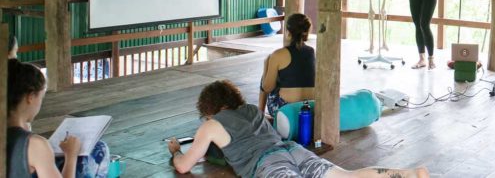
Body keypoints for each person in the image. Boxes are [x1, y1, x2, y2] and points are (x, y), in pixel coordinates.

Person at [167, 80, 429, 178]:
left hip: (268, 166)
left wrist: (177, 151)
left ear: (210, 108)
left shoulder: (211, 125)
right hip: (292, 150)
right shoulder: (249, 110)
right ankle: (410, 175)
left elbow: (184, 166)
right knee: (346, 177)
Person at [7, 58, 109, 178]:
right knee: (100, 149)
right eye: (41, 98)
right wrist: (71, 156)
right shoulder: (34, 145)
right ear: (30, 97)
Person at [258, 13, 315, 117]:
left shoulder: (278, 54)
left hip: (286, 110)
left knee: (266, 76)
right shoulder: (312, 52)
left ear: (288, 32)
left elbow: (267, 88)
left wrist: (266, 64)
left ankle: (260, 114)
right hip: (309, 107)